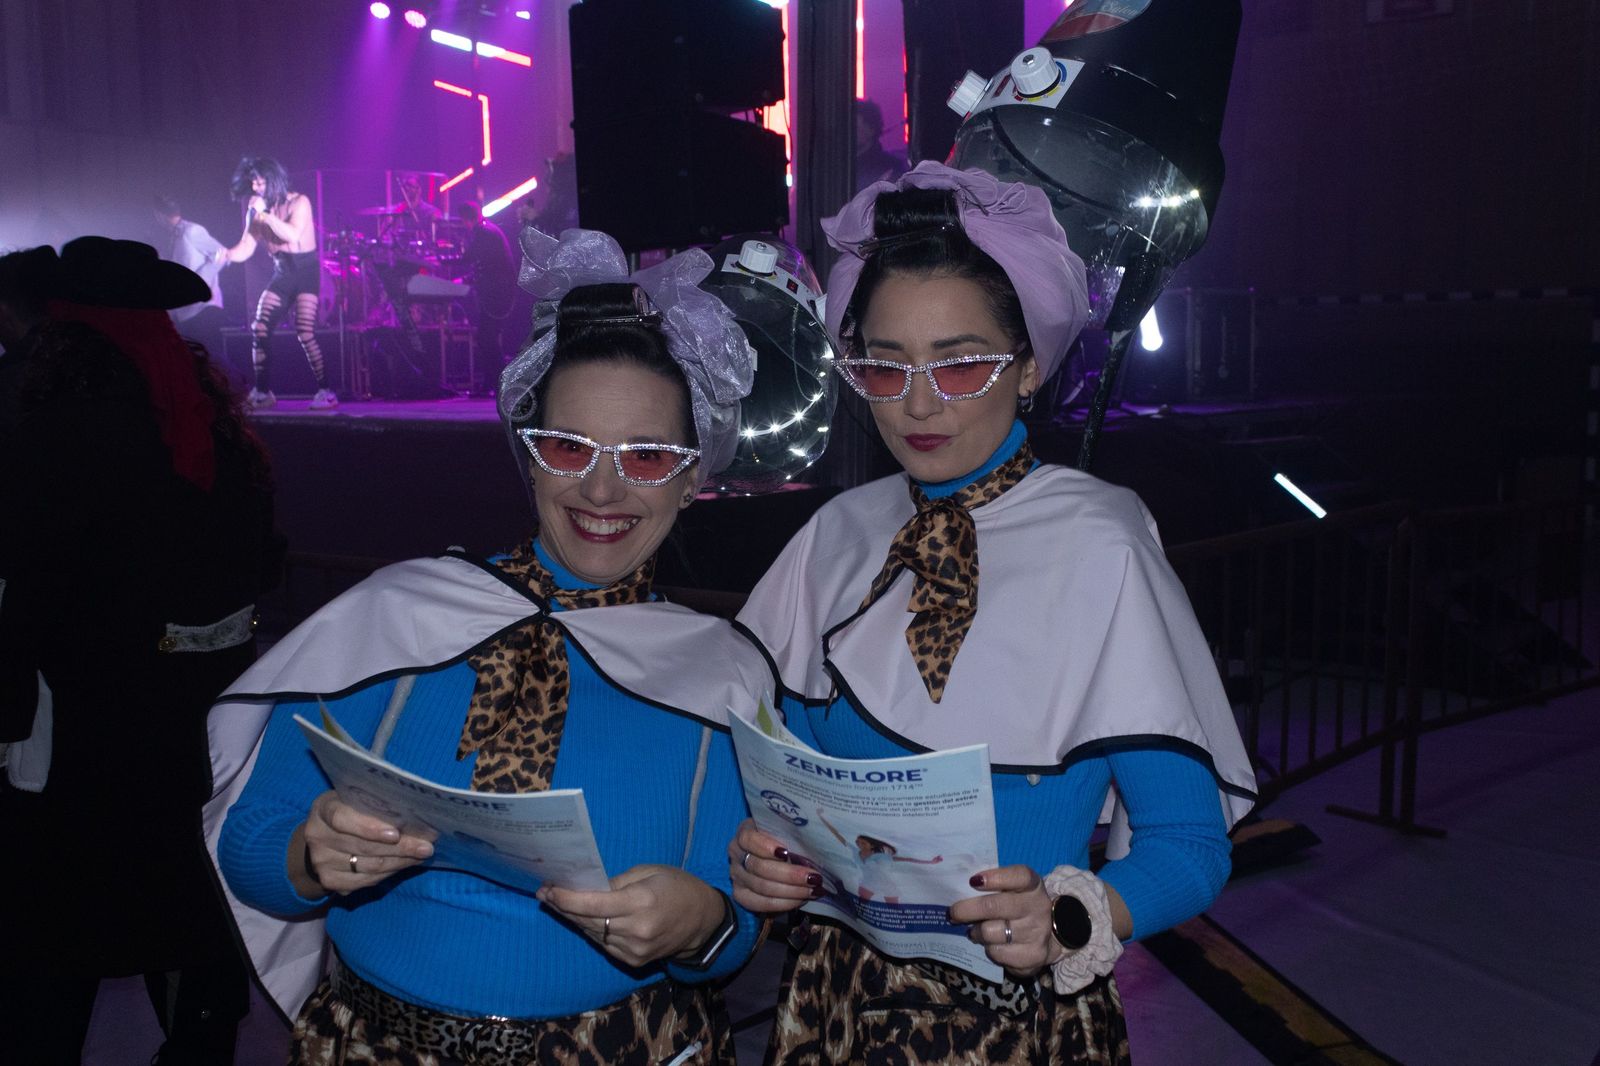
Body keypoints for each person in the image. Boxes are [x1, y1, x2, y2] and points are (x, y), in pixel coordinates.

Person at [728, 162, 1258, 1064]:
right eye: (884, 365)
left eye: (961, 363)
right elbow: (775, 783)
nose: (918, 403)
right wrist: (759, 854)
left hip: (1017, 1017)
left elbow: (1189, 842)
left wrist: (1069, 916)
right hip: (833, 1001)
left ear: (1028, 367)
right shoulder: (835, 537)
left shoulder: (1099, 541)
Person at [207, 226, 773, 1065]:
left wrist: (704, 924)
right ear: (529, 458)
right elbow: (253, 843)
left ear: (692, 479)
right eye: (570, 447)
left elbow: (734, 930)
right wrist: (307, 854)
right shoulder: (395, 616)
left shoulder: (721, 672)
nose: (603, 489)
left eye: (649, 456)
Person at [0, 237, 281, 1065]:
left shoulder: (59, 427)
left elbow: (33, 581)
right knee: (184, 916)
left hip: (93, 727)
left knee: (58, 932)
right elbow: (258, 560)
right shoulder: (206, 423)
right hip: (196, 721)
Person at [216, 156, 337, 410]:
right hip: (282, 271)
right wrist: (227, 254)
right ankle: (262, 392)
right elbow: (246, 246)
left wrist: (264, 214)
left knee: (305, 331)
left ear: (274, 181)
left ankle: (326, 391)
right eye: (254, 183)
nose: (256, 188)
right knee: (259, 327)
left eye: (260, 183)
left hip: (305, 271)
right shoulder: (257, 213)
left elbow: (291, 234)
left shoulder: (299, 202)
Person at [153, 193, 229, 363]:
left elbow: (222, 253)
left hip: (203, 308)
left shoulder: (191, 231)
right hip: (187, 311)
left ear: (158, 215)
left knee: (213, 361)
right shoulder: (172, 237)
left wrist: (198, 281)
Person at [454, 200, 517, 392]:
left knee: (486, 337)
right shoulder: (489, 230)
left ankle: (497, 382)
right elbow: (486, 264)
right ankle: (495, 382)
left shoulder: (483, 232)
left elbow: (470, 258)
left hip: (496, 293)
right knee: (488, 336)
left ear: (466, 219)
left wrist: (449, 261)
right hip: (499, 292)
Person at [855, 99, 908, 192]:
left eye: (855, 127)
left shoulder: (891, 167)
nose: (848, 132)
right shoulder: (837, 163)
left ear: (871, 130)